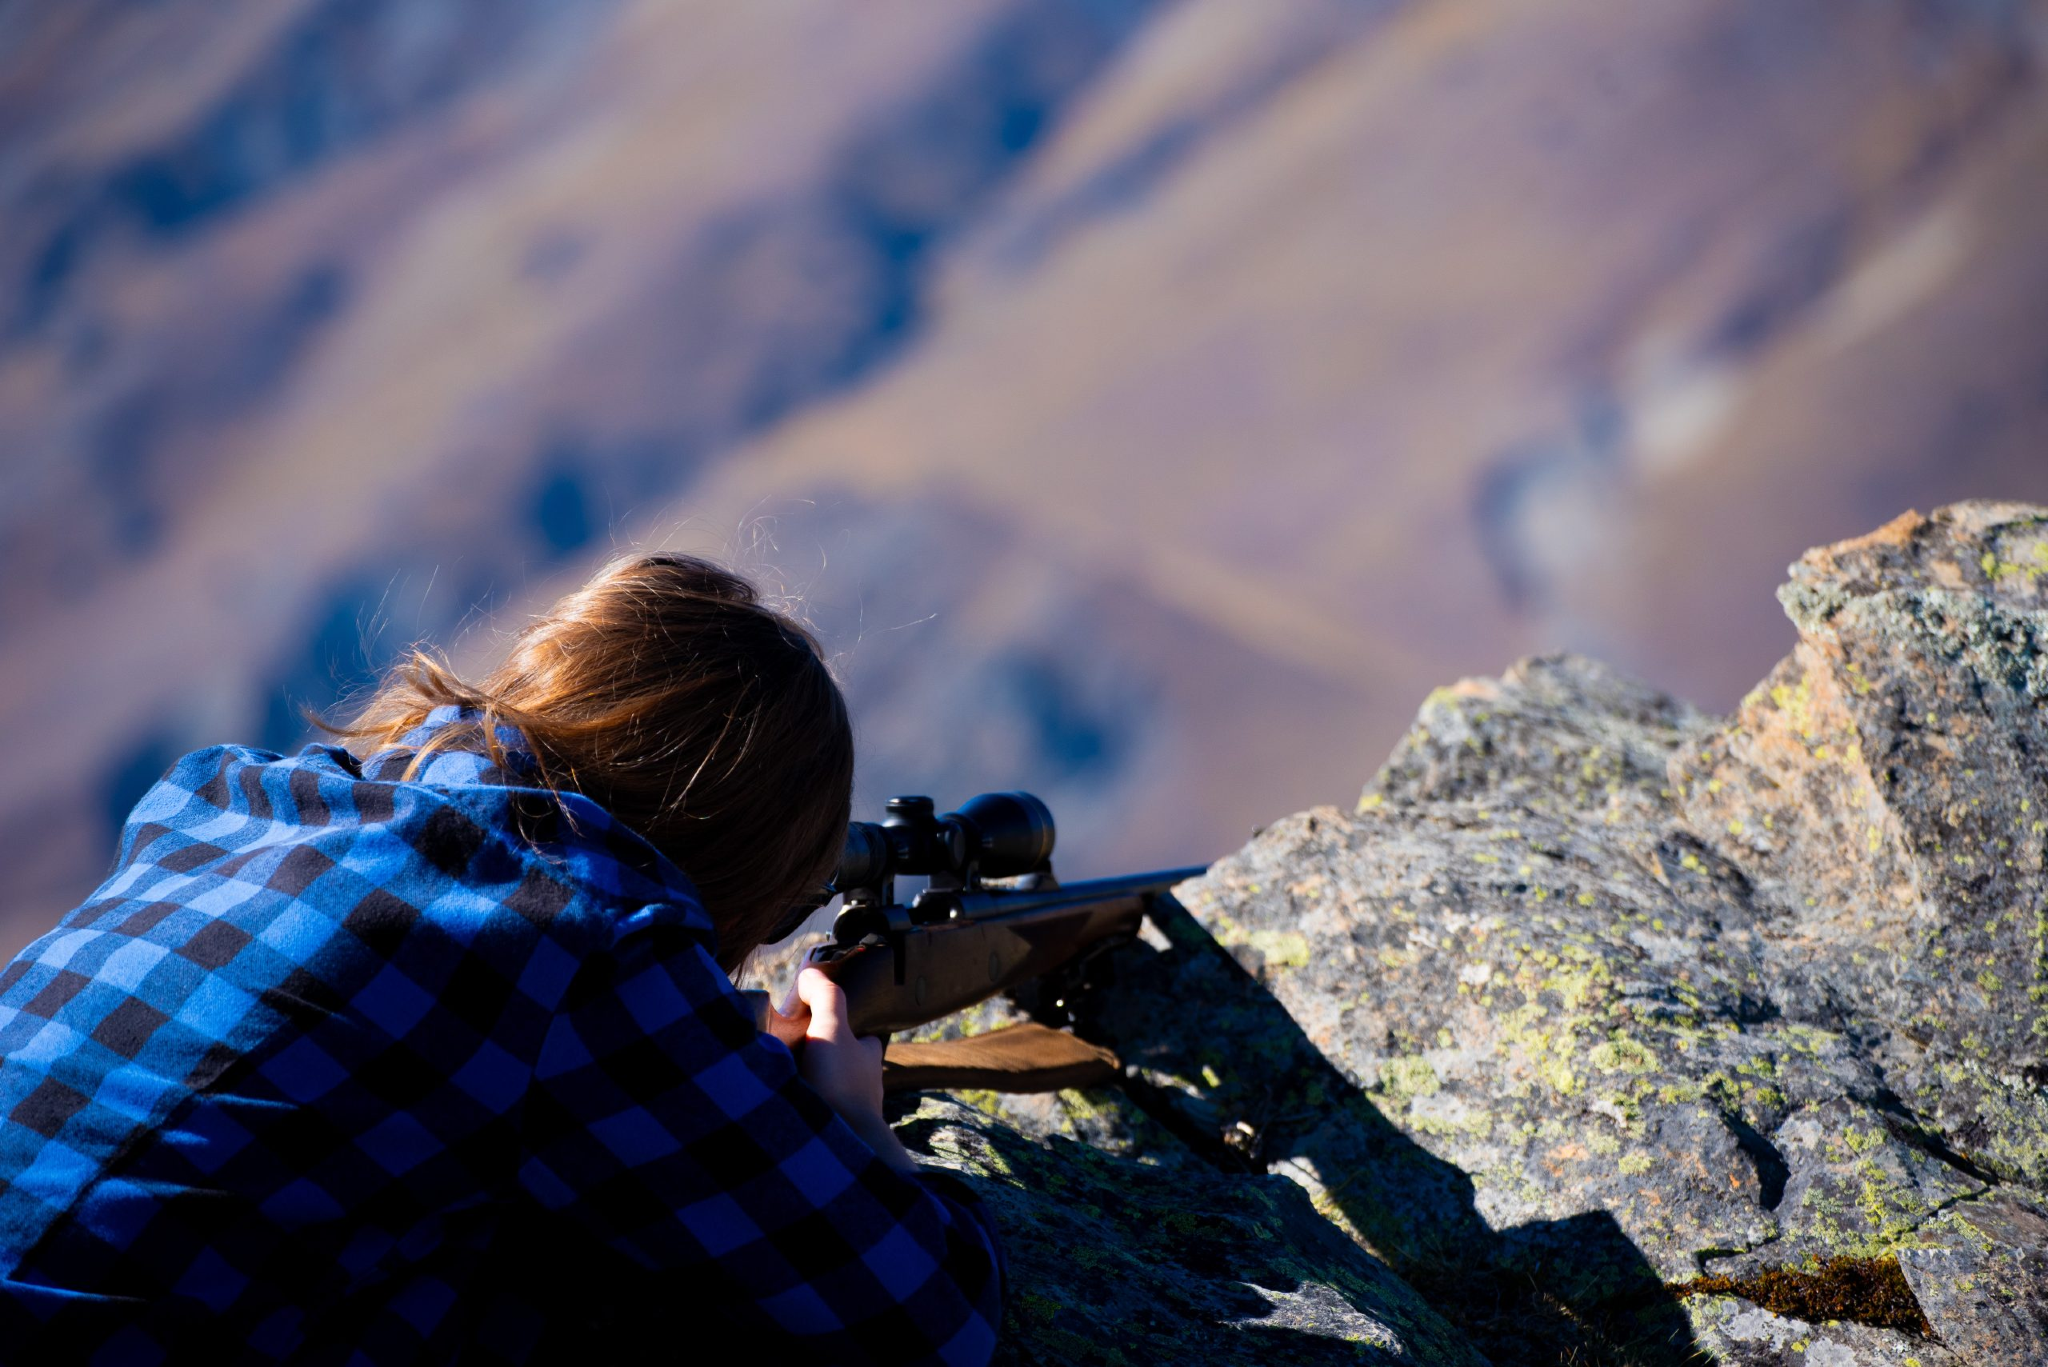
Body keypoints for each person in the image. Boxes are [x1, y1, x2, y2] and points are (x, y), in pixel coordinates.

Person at [0, 555, 1003, 1364]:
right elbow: (930, 1319)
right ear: (737, 862)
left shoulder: (222, 797)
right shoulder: (579, 934)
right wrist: (856, 1127)